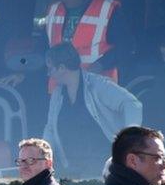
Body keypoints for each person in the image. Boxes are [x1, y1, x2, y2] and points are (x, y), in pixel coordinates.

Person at [42, 43, 142, 175]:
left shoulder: (98, 85)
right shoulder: (57, 94)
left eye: (50, 69)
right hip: (71, 166)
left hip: (104, 166)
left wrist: (129, 137)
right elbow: (50, 127)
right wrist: (43, 154)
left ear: (61, 68)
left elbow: (132, 104)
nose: (49, 74)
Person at [44, 0, 133, 83]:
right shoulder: (53, 10)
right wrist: (25, 70)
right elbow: (43, 47)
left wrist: (101, 64)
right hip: (59, 88)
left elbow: (126, 46)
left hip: (97, 88)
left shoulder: (108, 10)